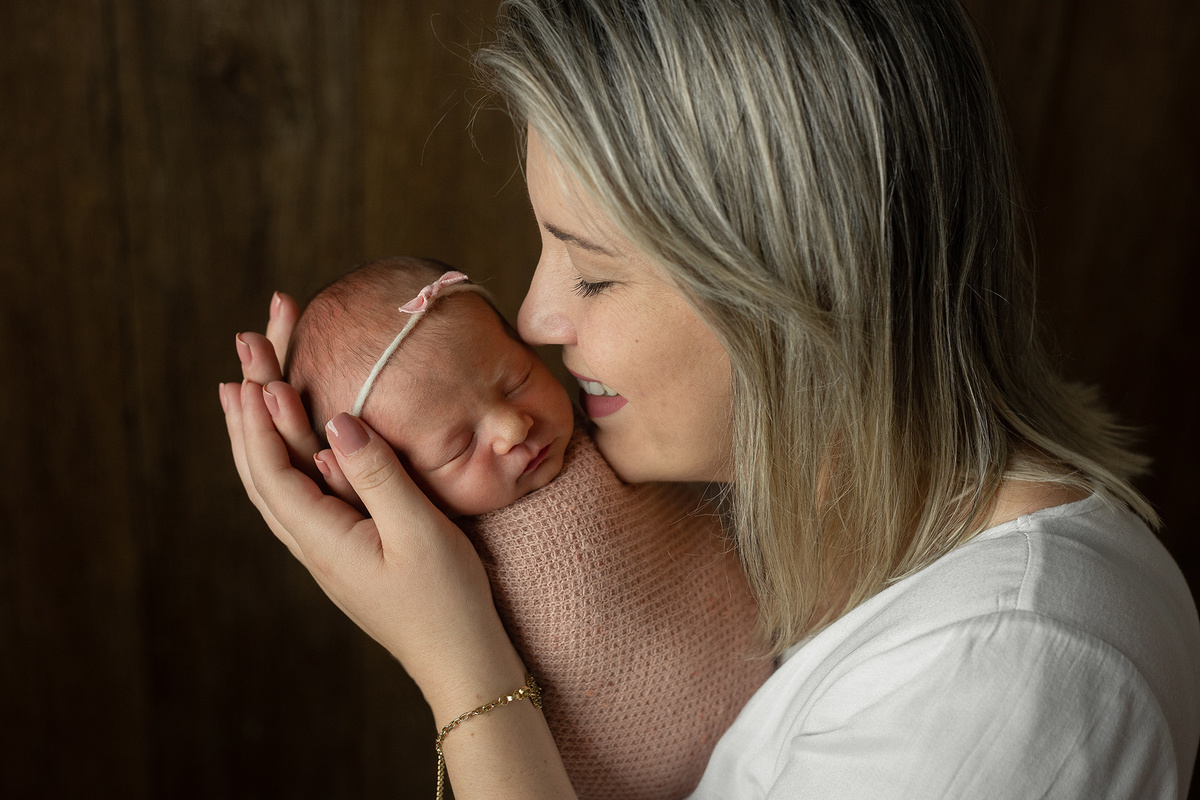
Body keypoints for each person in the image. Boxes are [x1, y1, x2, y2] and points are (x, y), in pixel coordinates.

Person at [220, 0, 1200, 797]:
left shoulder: (1004, 684)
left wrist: (458, 662)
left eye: (594, 274)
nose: (534, 315)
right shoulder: (792, 530)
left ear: (795, 277)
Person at [281, 255, 771, 798]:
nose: (514, 425)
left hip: (771, 668)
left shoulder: (624, 435)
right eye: (458, 445)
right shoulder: (448, 559)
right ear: (397, 488)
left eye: (515, 381)